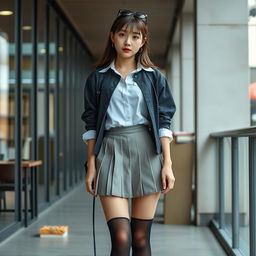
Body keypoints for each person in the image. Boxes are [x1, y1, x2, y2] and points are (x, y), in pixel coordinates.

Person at [81, 9, 176, 256]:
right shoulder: (97, 79)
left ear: (143, 41)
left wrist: (167, 164)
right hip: (110, 152)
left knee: (141, 238)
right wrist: (91, 164)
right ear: (112, 37)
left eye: (135, 37)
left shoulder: (155, 78)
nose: (128, 42)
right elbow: (91, 124)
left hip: (147, 152)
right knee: (121, 239)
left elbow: (164, 120)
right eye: (123, 35)